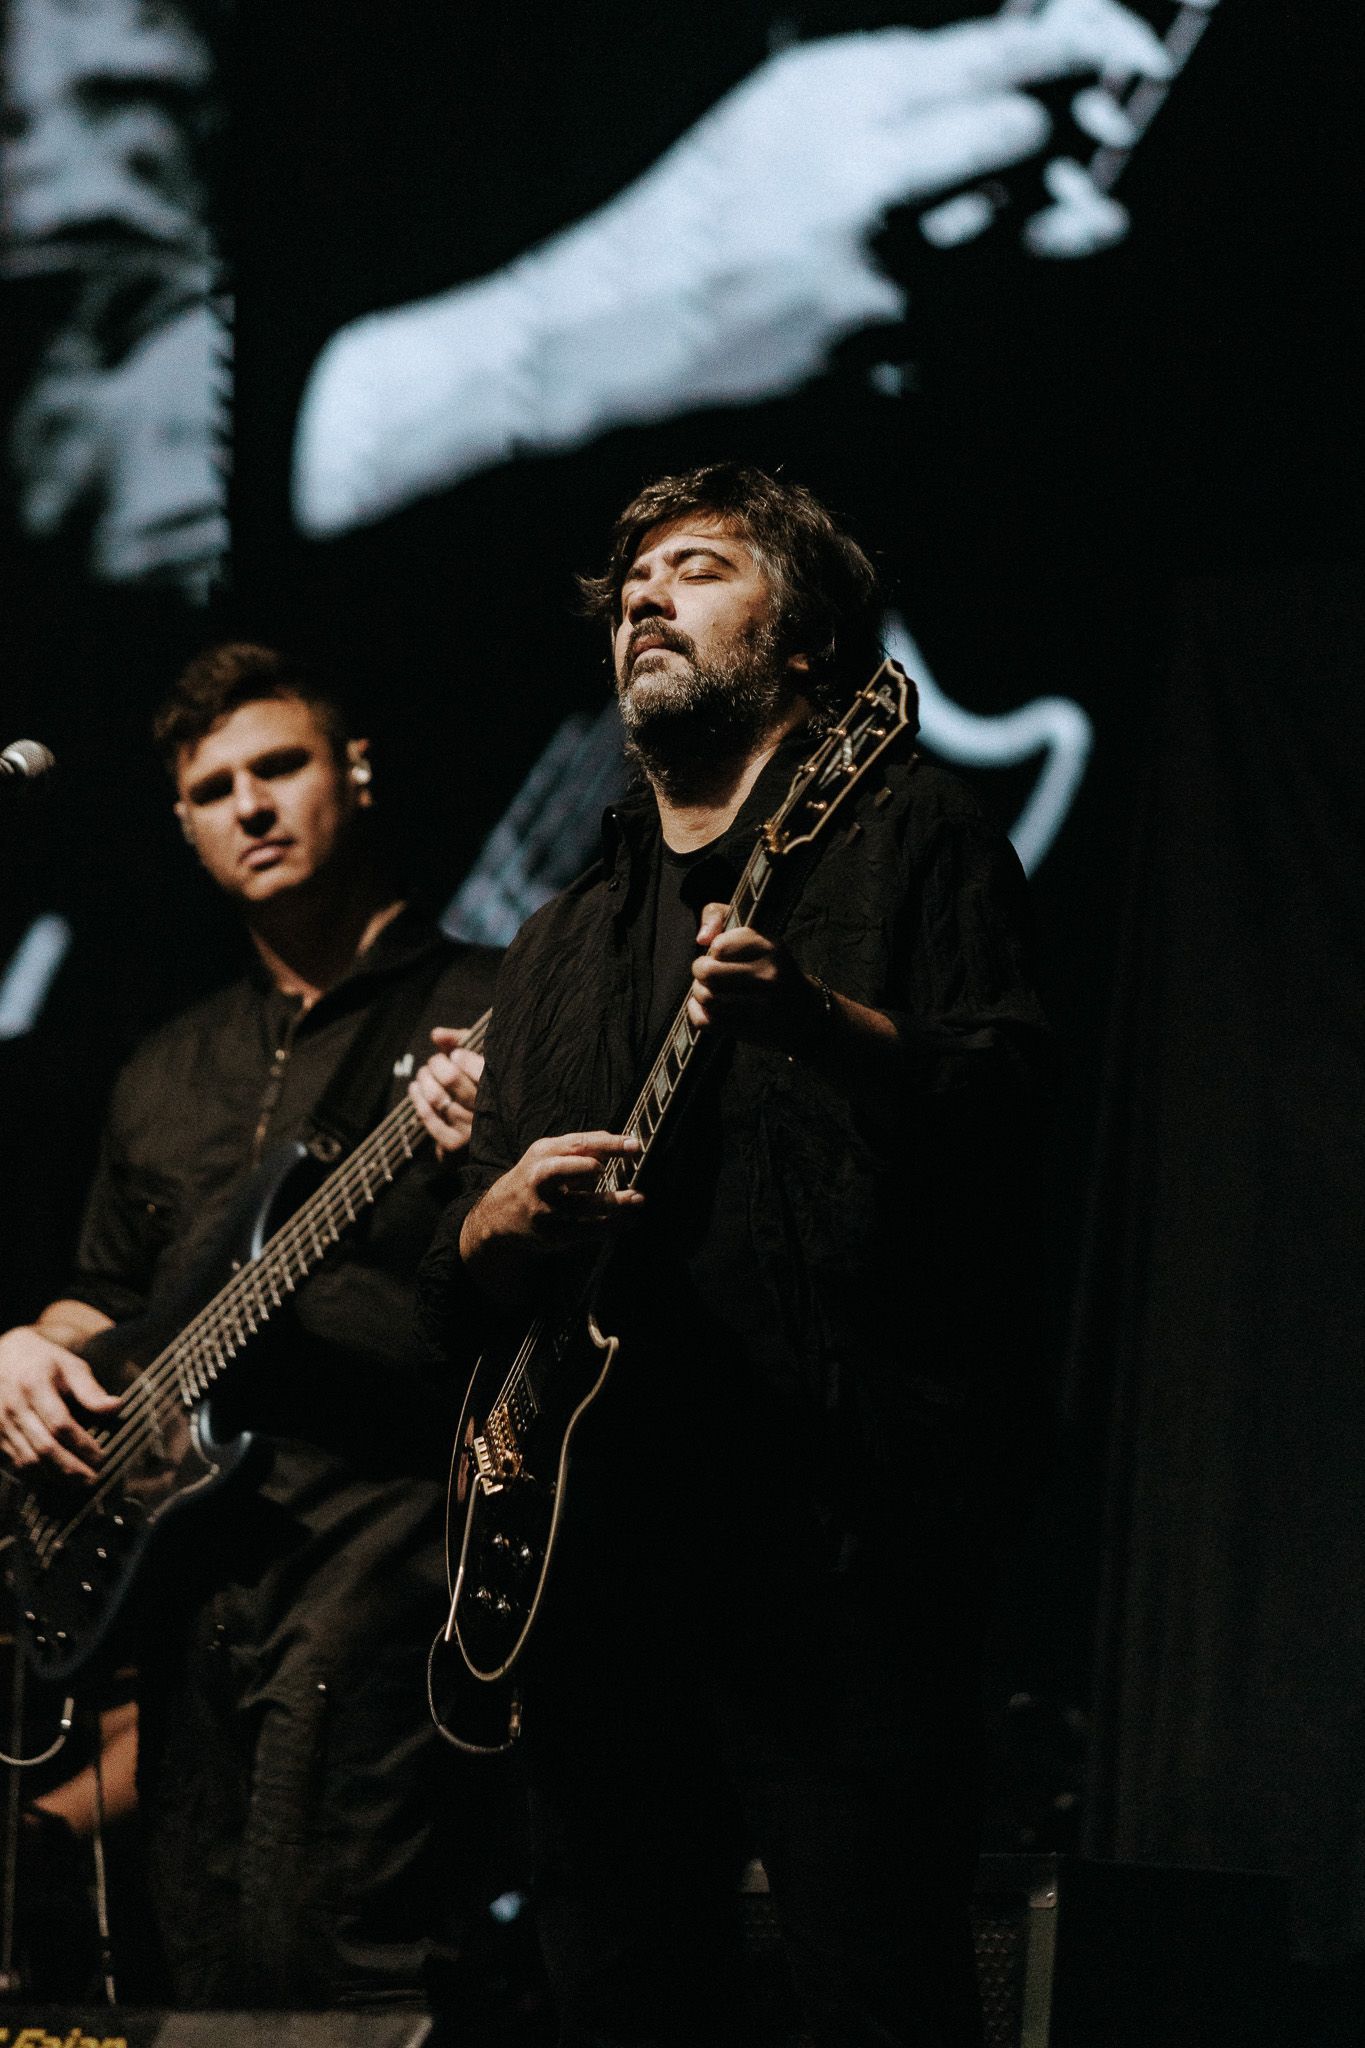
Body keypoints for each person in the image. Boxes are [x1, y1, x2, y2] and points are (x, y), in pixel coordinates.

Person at [419, 464, 1052, 2047]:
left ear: (804, 647)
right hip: (596, 1558)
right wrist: (486, 1222)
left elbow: (1017, 1110)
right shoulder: (558, 941)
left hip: (829, 1537)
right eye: (633, 581)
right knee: (622, 1987)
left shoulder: (905, 831)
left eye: (698, 570)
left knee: (871, 1978)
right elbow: (473, 1278)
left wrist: (821, 1023)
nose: (644, 597)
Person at [0, 642, 500, 2009]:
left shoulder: (484, 1004)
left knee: (337, 1955)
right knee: (191, 1963)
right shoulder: (164, 1065)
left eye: (279, 766)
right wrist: (26, 1349)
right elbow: (102, 1293)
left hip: (380, 1539)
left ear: (355, 769)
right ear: (183, 826)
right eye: (215, 788)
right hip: (183, 1572)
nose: (251, 807)